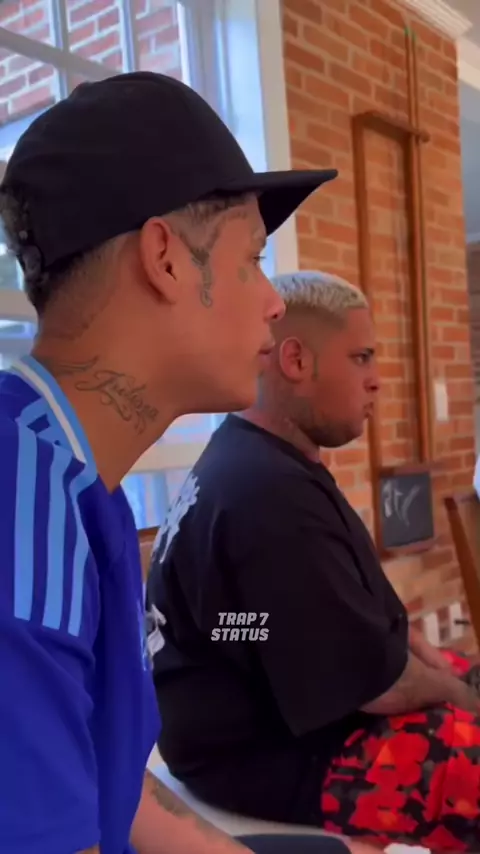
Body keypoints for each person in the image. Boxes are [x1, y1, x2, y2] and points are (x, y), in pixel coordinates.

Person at [0, 71, 376, 854]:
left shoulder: (82, 482)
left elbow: (111, 779)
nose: (274, 301)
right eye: (253, 258)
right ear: (166, 259)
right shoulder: (21, 507)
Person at [148, 269, 480, 853]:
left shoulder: (263, 460)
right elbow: (377, 686)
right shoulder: (266, 493)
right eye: (361, 357)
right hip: (269, 755)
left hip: (288, 712)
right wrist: (462, 697)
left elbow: (355, 618)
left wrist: (444, 670)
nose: (377, 380)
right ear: (296, 360)